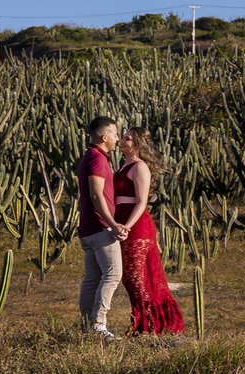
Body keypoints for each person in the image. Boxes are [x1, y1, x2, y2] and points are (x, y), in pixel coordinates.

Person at [113, 126, 185, 336]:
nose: (123, 141)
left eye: (127, 138)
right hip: (123, 226)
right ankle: (143, 325)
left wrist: (127, 226)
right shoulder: (124, 166)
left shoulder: (139, 166)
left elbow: (142, 202)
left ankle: (151, 326)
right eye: (123, 137)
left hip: (137, 228)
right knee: (130, 279)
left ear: (137, 143)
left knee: (136, 278)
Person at [77, 116, 129, 342]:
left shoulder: (89, 156)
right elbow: (96, 194)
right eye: (115, 134)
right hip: (100, 227)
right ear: (104, 136)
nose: (117, 139)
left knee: (92, 277)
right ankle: (98, 324)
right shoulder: (97, 159)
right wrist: (112, 224)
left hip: (88, 227)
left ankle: (86, 326)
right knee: (113, 274)